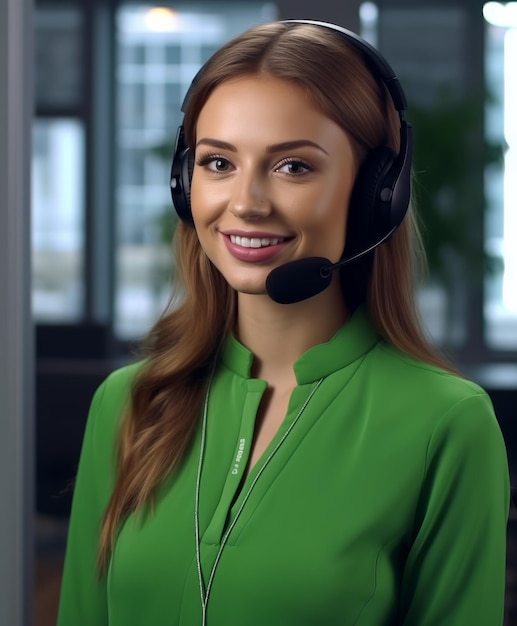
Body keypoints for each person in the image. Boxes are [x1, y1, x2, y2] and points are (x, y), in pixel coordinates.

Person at [56, 19, 510, 626]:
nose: (245, 202)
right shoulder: (131, 402)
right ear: (184, 183)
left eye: (293, 167)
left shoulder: (446, 423)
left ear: (379, 193)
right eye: (218, 162)